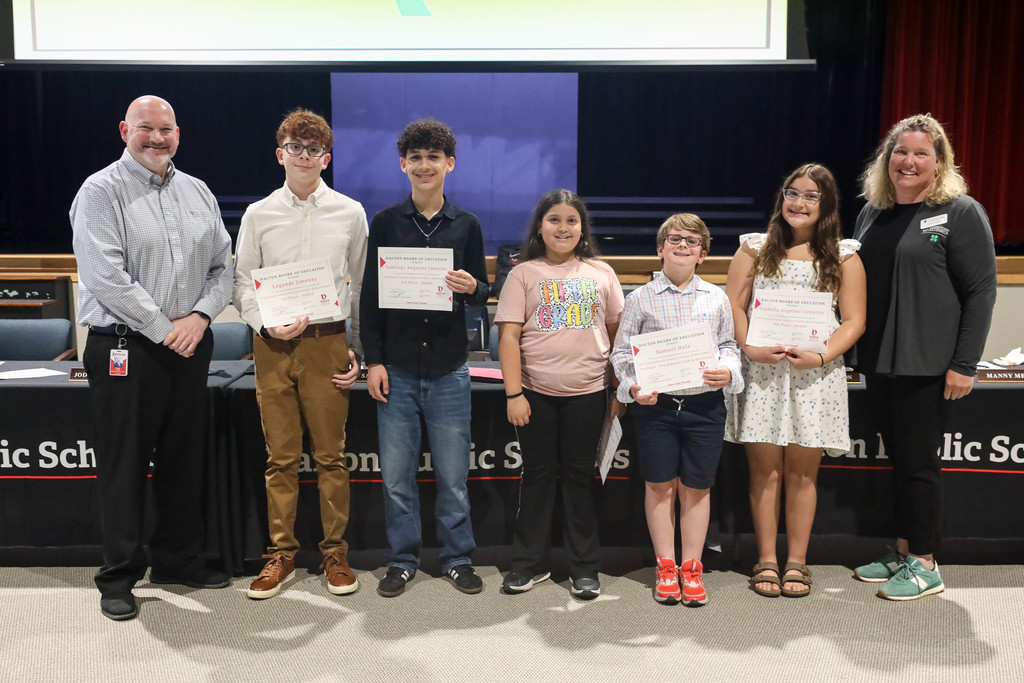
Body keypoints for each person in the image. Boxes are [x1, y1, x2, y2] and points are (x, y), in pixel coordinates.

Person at [71, 95, 234, 621]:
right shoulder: (100, 191)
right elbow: (105, 276)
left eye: (166, 130)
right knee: (124, 467)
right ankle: (118, 576)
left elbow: (223, 267)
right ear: (125, 130)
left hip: (190, 342)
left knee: (184, 460)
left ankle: (177, 561)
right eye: (146, 128)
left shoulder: (198, 190)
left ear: (179, 134)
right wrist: (167, 329)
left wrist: (202, 318)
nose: (157, 138)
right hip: (127, 346)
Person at [850, 114, 996, 601]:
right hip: (879, 361)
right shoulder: (873, 212)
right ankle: (904, 549)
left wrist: (965, 363)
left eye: (920, 154)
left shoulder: (960, 211)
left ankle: (926, 563)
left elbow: (980, 291)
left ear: (939, 162)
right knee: (899, 461)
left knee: (918, 465)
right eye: (900, 152)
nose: (907, 162)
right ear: (886, 159)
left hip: (928, 363)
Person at [233, 109, 367, 599]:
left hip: (328, 343)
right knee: (281, 457)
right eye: (295, 147)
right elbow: (242, 279)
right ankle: (281, 555)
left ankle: (335, 552)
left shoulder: (350, 212)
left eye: (313, 149)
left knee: (332, 456)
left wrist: (358, 348)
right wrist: (262, 322)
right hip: (272, 344)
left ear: (326, 157)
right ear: (280, 154)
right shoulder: (258, 214)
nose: (304, 156)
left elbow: (359, 286)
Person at [359, 119, 489, 597]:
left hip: (451, 370)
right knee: (396, 479)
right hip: (396, 369)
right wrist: (373, 361)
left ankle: (457, 558)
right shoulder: (387, 222)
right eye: (415, 158)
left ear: (449, 164)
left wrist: (476, 286)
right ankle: (402, 559)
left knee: (454, 478)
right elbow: (371, 299)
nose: (424, 165)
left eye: (434, 157)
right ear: (403, 165)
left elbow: (480, 294)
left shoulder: (468, 225)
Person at [724, 164, 866, 598]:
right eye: (792, 193)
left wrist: (822, 355)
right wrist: (749, 347)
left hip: (815, 375)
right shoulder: (754, 248)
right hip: (764, 371)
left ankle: (797, 562)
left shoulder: (843, 254)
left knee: (803, 475)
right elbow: (733, 304)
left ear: (825, 205)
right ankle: (766, 558)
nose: (798, 204)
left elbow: (854, 320)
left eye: (810, 196)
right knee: (764, 472)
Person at [495, 189, 624, 600]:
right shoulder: (523, 274)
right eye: (554, 219)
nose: (563, 227)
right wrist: (514, 394)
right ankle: (527, 565)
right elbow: (509, 337)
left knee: (580, 481)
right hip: (535, 394)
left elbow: (619, 334)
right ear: (540, 226)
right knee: (535, 479)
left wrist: (618, 387)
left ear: (582, 227)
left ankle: (584, 569)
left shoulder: (601, 273)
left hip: (589, 393)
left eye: (571, 220)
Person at [611, 214, 742, 606]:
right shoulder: (640, 299)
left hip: (704, 407)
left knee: (697, 489)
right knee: (659, 486)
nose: (682, 245)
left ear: (703, 254)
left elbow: (729, 347)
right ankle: (665, 565)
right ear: (660, 248)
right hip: (657, 409)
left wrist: (728, 370)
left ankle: (692, 567)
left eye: (691, 241)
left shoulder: (716, 298)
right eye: (674, 239)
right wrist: (633, 387)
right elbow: (621, 354)